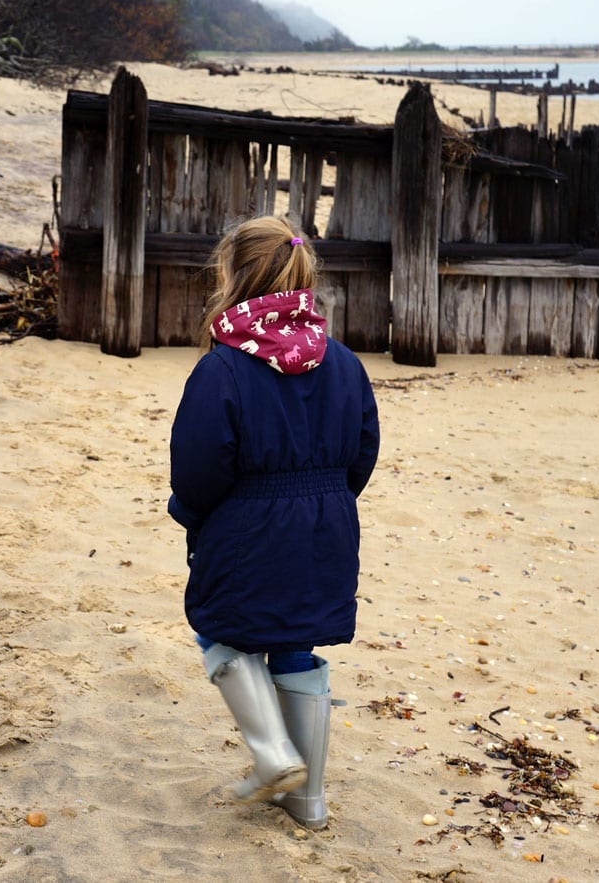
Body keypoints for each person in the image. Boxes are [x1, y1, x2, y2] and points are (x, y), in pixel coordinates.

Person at [168, 215, 380, 830]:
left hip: (246, 528)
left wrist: (196, 516)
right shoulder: (341, 362)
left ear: (232, 278)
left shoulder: (225, 367)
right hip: (326, 527)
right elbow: (363, 450)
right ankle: (308, 801)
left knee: (219, 630)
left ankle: (271, 753)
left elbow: (200, 466)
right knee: (295, 642)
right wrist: (330, 503)